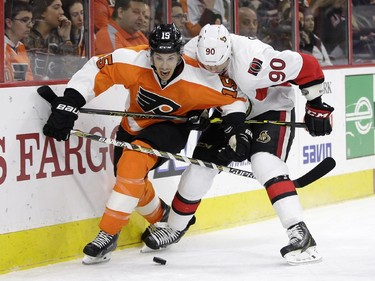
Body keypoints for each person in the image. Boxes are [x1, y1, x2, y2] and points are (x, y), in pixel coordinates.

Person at [41, 23, 250, 265]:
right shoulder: (133, 60)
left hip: (171, 130)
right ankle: (163, 215)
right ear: (150, 53)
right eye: (158, 58)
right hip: (131, 128)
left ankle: (107, 234)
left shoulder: (199, 76)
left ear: (180, 54)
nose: (164, 65)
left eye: (170, 58)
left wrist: (235, 128)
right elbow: (97, 71)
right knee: (128, 179)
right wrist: (70, 103)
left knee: (133, 162)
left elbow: (234, 98)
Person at [142, 24, 334, 266]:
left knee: (265, 163)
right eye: (206, 64)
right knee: (201, 167)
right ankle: (174, 228)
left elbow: (308, 65)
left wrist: (316, 105)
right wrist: (196, 111)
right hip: (229, 112)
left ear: (230, 53)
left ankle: (300, 234)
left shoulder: (252, 61)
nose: (211, 68)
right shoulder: (189, 54)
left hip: (271, 108)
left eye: (218, 65)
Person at [23, 0, 76, 80]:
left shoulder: (57, 39)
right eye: (56, 7)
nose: (62, 12)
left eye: (61, 7)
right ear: (42, 12)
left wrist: (66, 39)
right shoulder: (26, 38)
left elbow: (69, 74)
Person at [4, 0, 34, 82]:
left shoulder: (21, 46)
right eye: (24, 20)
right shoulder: (1, 46)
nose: (30, 25)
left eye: (31, 21)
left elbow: (29, 78)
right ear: (9, 22)